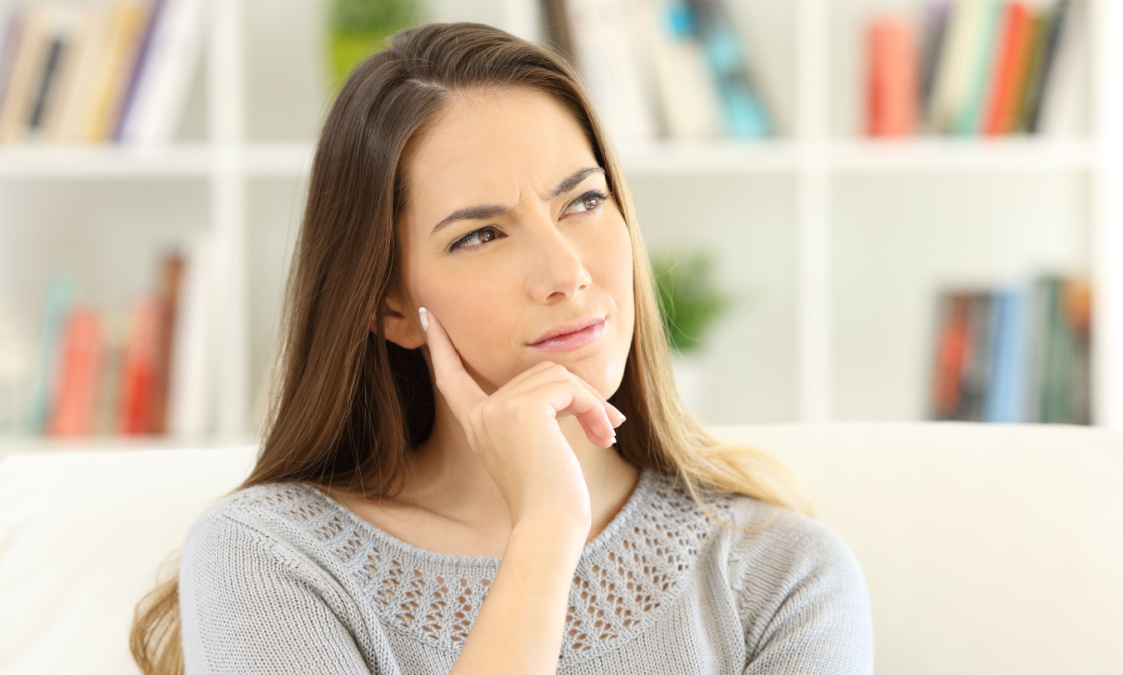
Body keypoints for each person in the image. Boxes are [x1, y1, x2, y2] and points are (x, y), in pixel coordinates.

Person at [129, 22, 873, 675]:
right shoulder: (272, 558)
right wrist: (546, 529)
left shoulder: (778, 573)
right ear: (389, 304)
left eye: (583, 200)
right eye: (480, 234)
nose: (565, 273)